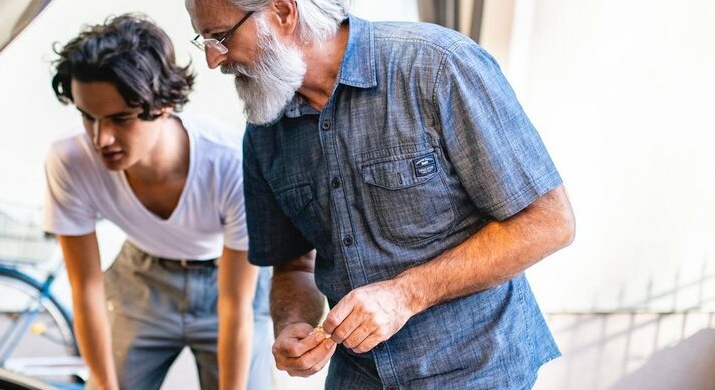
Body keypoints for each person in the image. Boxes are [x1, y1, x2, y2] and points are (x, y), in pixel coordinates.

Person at [184, 0, 577, 388]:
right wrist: (292, 324)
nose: (214, 61)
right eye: (206, 42)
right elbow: (293, 267)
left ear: (284, 12)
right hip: (358, 375)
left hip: (478, 369)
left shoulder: (439, 65)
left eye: (221, 37)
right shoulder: (264, 132)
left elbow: (549, 222)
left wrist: (405, 294)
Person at [43, 14, 273, 390]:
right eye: (89, 117)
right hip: (142, 277)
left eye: (120, 119)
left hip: (227, 283)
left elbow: (235, 305)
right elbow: (86, 287)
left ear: (164, 103)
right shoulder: (70, 161)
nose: (101, 139)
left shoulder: (231, 161)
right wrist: (102, 381)